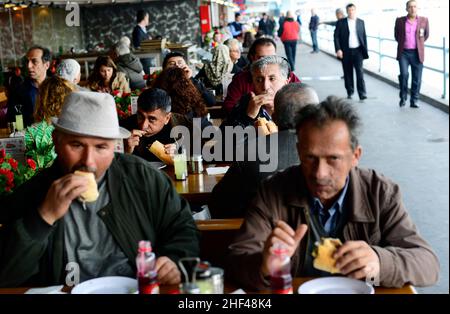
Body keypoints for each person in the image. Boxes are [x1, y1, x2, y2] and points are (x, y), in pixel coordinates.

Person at [227, 96, 439, 290]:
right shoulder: (273, 192)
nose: (320, 173)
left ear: (356, 156)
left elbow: (428, 264)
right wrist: (264, 266)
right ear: (299, 151)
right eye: (310, 158)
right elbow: (236, 260)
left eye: (333, 159)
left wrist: (380, 261)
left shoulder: (380, 192)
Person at [0, 91, 199, 287]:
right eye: (76, 145)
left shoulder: (143, 178)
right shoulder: (33, 193)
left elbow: (182, 228)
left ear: (114, 146)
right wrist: (43, 217)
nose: (88, 161)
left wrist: (174, 259)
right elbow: (8, 275)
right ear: (57, 141)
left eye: (101, 147)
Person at [209, 83, 319, 218]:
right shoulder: (335, 152)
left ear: (274, 117)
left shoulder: (250, 152)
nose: (266, 85)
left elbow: (218, 206)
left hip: (259, 234)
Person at [223, 37, 301, 113]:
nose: (267, 62)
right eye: (262, 58)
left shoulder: (286, 75)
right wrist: (249, 111)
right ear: (252, 57)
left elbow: (303, 101)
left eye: (271, 57)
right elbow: (228, 107)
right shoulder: (241, 79)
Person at [120, 88, 190, 162]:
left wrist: (180, 157)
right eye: (140, 116)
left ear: (167, 118)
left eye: (152, 119)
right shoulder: (124, 129)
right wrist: (125, 152)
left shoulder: (184, 126)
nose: (143, 126)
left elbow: (198, 162)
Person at [222, 55, 290, 129]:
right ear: (253, 84)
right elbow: (223, 137)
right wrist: (249, 116)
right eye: (259, 80)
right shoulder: (246, 103)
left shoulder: (295, 105)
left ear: (285, 83)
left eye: (272, 79)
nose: (265, 87)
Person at [395, 0, 429, 108]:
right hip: (404, 53)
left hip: (417, 53)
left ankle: (414, 100)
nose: (412, 9)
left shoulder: (424, 20)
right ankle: (403, 97)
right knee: (404, 75)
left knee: (417, 78)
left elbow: (426, 35)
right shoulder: (399, 21)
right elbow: (397, 35)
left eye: (415, 6)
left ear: (417, 8)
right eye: (410, 7)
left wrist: (419, 45)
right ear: (406, 9)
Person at [7, 46, 51, 127]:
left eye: (34, 61)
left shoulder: (57, 88)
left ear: (47, 65)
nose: (29, 66)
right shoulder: (18, 91)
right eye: (27, 61)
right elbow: (14, 120)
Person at [334, 3, 368, 101]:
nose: (351, 12)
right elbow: (336, 37)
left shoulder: (361, 22)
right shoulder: (341, 22)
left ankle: (362, 94)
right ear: (347, 11)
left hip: (358, 51)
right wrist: (338, 49)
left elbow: (364, 37)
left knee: (360, 73)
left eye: (353, 10)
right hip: (346, 51)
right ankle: (350, 91)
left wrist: (365, 50)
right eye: (349, 10)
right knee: (348, 73)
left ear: (355, 10)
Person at [132, 10, 152, 74]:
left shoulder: (142, 29)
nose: (148, 20)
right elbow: (138, 45)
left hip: (147, 56)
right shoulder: (137, 30)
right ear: (145, 17)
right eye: (148, 18)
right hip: (143, 58)